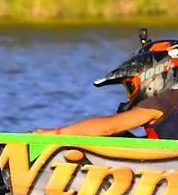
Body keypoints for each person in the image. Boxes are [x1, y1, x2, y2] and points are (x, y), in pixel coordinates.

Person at [37, 29, 178, 138]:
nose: (129, 97)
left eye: (130, 87)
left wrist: (57, 134)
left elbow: (108, 127)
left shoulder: (160, 102)